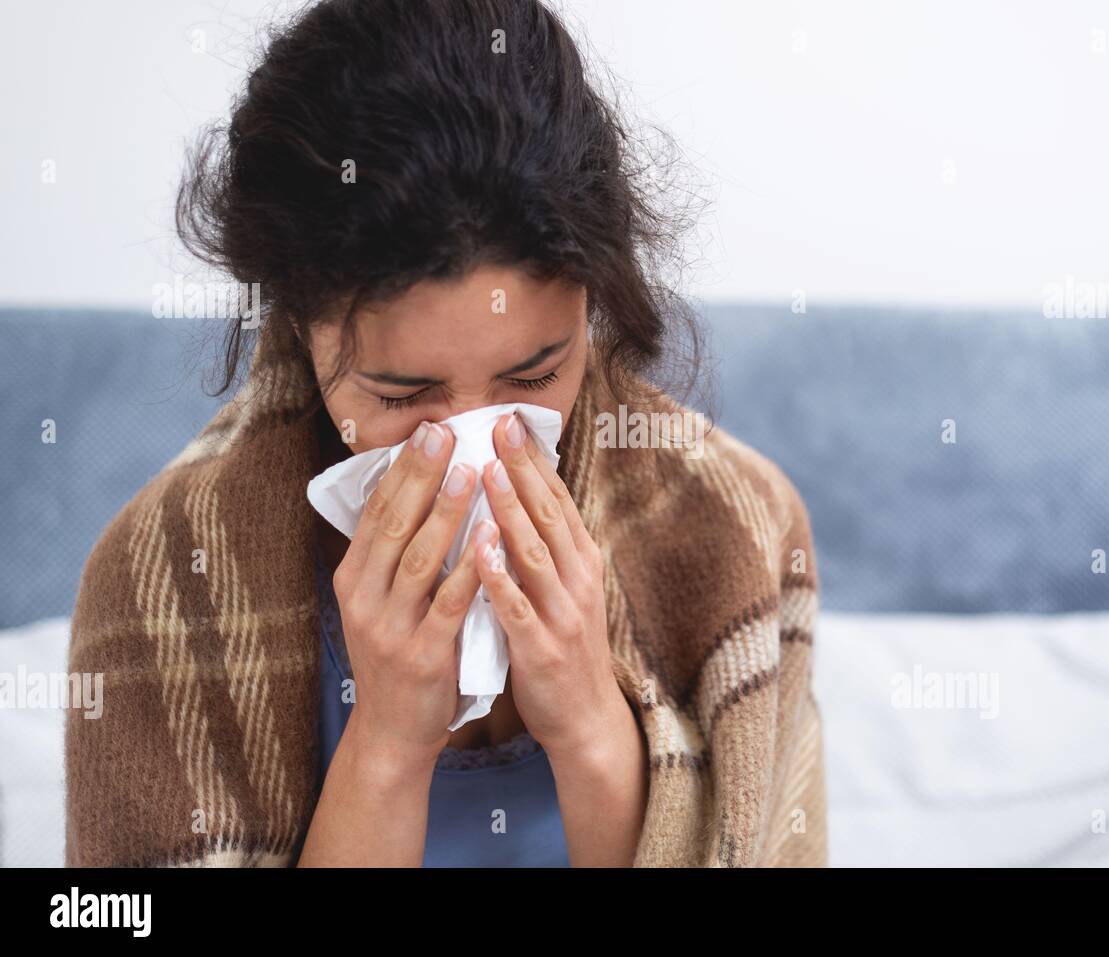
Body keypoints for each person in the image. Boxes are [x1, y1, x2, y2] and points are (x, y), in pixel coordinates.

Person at [64, 0, 827, 867]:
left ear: (594, 301)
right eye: (405, 391)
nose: (474, 443)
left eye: (535, 375)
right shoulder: (158, 582)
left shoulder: (744, 536)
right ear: (301, 328)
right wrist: (387, 743)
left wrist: (590, 730)